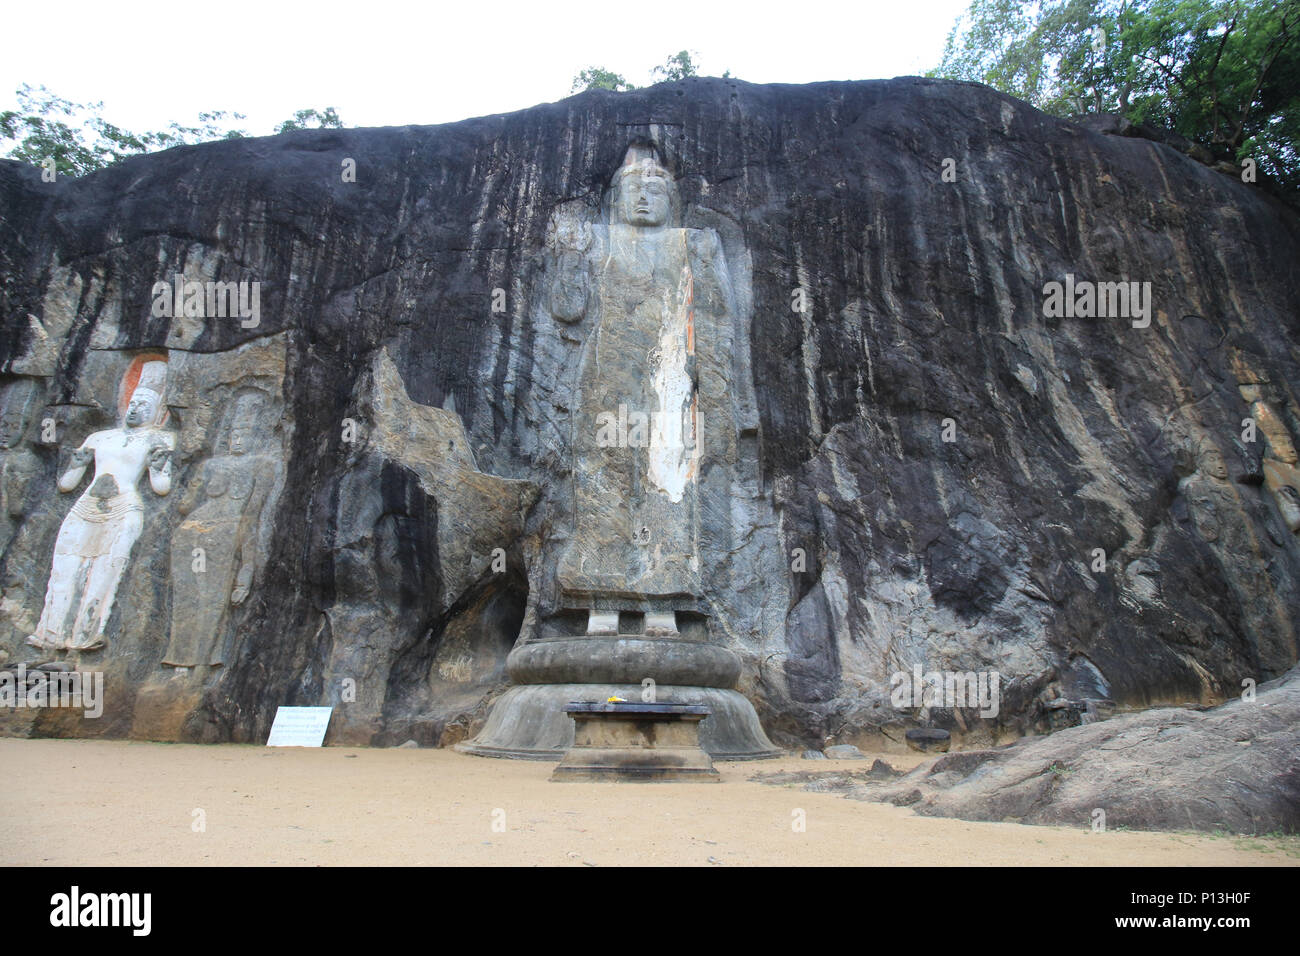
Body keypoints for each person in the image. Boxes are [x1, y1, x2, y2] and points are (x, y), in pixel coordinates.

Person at [27, 360, 174, 652]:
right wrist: (75, 463)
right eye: (133, 402)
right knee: (64, 569)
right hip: (86, 506)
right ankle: (50, 633)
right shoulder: (100, 437)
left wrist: (161, 467)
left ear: (158, 411)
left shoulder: (160, 438)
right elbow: (67, 484)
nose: (135, 409)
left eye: (144, 405)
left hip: (123, 508)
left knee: (105, 571)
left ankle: (86, 635)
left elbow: (161, 488)